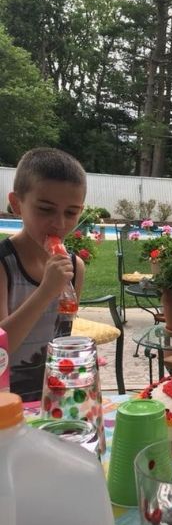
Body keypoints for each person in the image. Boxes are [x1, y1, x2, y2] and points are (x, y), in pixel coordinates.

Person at [0, 148, 87, 401]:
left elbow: (60, 337)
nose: (59, 224)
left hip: (52, 399)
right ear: (17, 204)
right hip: (6, 403)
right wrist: (46, 291)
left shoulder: (74, 267)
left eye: (71, 213)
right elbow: (1, 348)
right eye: (45, 209)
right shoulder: (4, 264)